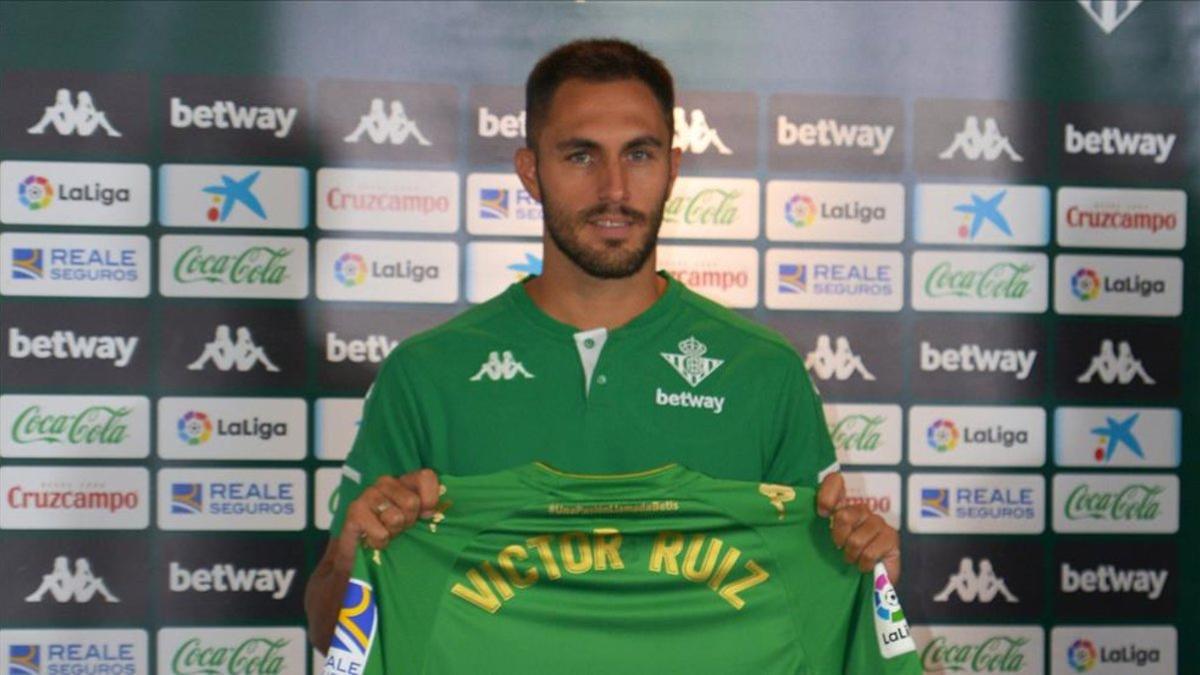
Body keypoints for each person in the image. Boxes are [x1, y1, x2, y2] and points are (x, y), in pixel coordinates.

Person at [305, 38, 901, 653]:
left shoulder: (765, 372)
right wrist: (353, 554)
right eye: (581, 156)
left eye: (639, 154)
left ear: (672, 168)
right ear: (530, 170)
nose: (614, 189)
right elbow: (331, 631)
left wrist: (864, 572)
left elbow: (821, 627)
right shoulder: (427, 374)